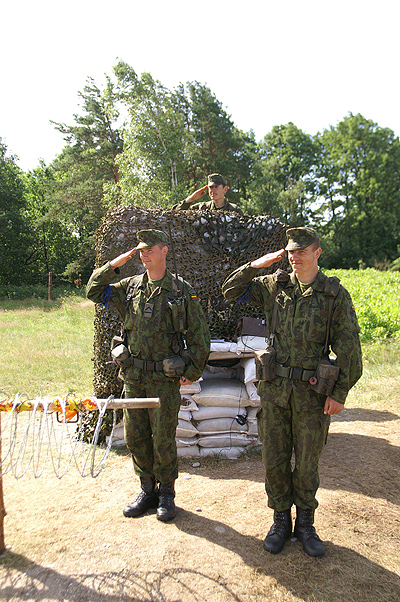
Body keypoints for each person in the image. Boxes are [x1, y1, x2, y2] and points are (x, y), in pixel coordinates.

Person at [222, 227, 362, 557]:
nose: (294, 257)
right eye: (290, 252)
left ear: (317, 253)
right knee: (274, 458)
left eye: (302, 251)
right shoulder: (274, 286)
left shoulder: (333, 295)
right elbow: (230, 290)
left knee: (308, 462)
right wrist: (256, 265)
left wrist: (339, 392)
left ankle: (307, 524)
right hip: (275, 392)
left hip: (312, 395)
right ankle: (281, 520)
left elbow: (349, 348)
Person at [87, 229, 210, 522]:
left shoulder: (180, 290)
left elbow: (200, 335)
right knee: (135, 436)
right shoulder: (128, 287)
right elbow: (93, 291)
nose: (144, 255)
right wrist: (115, 264)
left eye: (150, 249)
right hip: (134, 377)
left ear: (164, 250)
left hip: (164, 380)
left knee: (163, 439)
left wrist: (192, 371)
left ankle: (166, 493)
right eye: (140, 251)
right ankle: (147, 489)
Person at [173, 173, 243, 214]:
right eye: (211, 187)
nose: (213, 190)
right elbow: (174, 215)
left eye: (216, 187)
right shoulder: (201, 208)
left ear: (225, 189)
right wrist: (190, 199)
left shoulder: (234, 210)